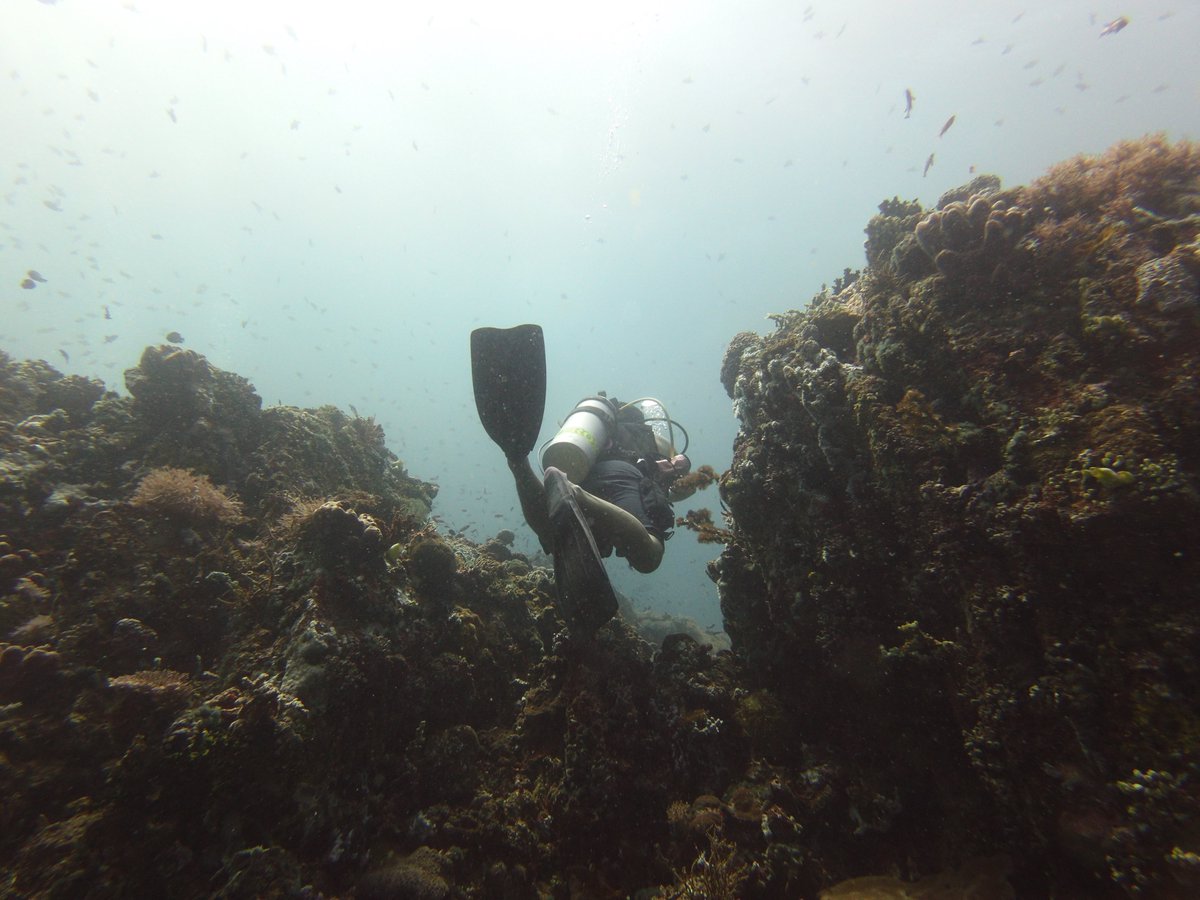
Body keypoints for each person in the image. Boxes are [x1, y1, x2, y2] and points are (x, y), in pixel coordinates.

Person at [505, 396, 695, 631]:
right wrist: (681, 464)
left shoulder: (601, 436)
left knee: (555, 534)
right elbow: (680, 472)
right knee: (650, 556)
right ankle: (575, 494)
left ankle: (518, 464)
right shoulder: (651, 438)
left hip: (583, 472)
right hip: (622, 477)